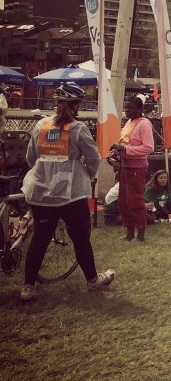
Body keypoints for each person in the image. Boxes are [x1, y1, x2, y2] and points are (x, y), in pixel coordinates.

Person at [19, 83, 116, 302]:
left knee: (40, 239)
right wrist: (86, 175)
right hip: (70, 193)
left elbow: (30, 159)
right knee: (81, 239)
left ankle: (28, 287)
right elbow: (93, 158)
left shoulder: (41, 125)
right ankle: (92, 280)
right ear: (77, 105)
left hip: (41, 191)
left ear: (57, 104)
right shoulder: (78, 128)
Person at [112, 97, 155, 243]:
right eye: (126, 107)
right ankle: (129, 232)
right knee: (123, 201)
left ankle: (140, 233)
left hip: (137, 167)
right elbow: (124, 143)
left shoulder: (144, 124)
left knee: (135, 201)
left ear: (139, 109)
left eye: (129, 108)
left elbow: (149, 148)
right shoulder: (129, 123)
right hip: (125, 166)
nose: (126, 110)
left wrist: (126, 149)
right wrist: (116, 149)